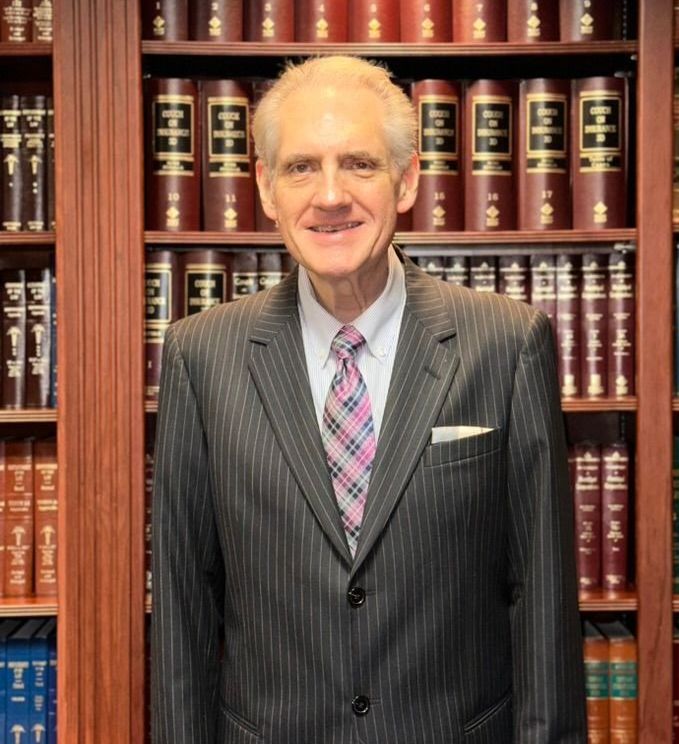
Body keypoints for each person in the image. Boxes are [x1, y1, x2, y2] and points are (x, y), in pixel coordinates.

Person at [151, 55, 586, 743]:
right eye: (300, 167)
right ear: (264, 187)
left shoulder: (508, 344)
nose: (329, 195)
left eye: (358, 163)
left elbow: (542, 604)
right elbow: (182, 605)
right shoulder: (199, 356)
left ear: (405, 179)